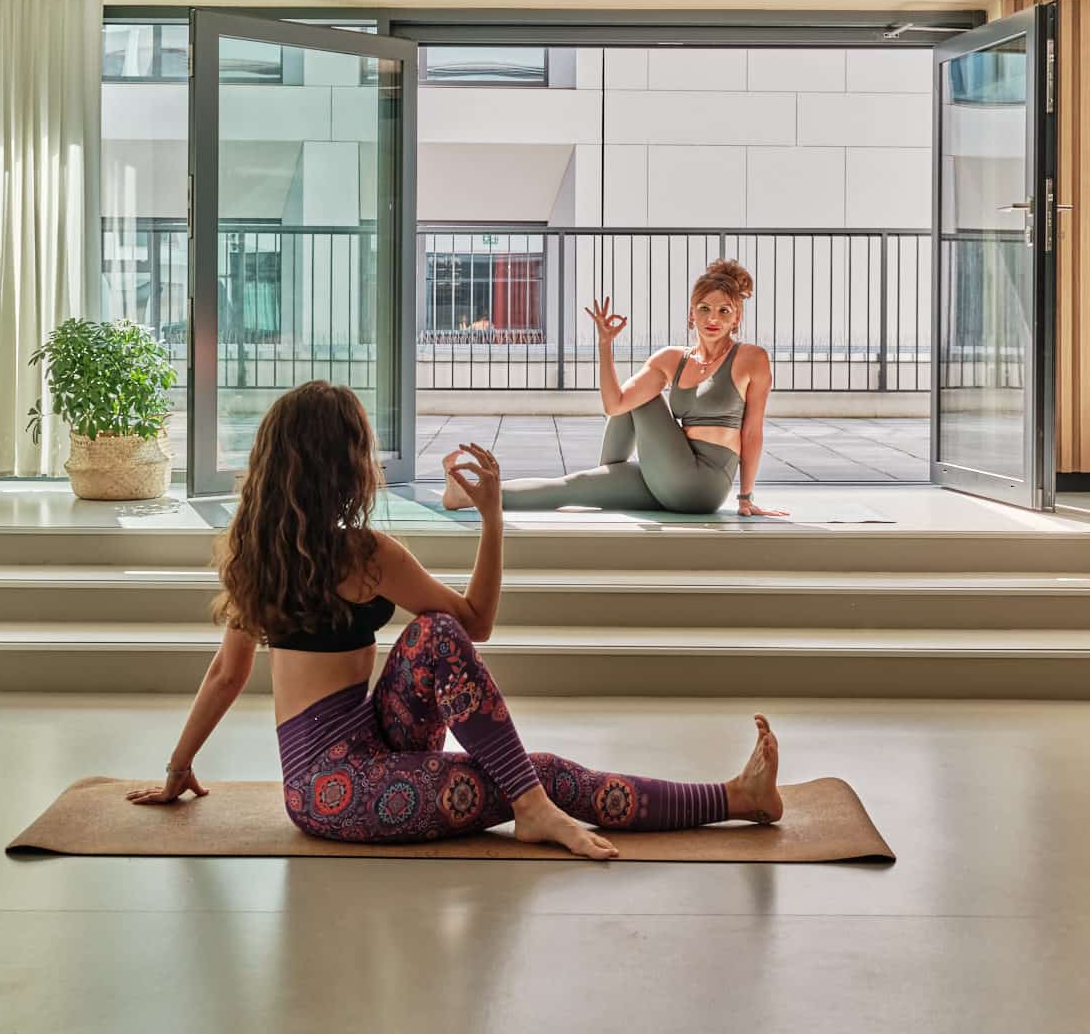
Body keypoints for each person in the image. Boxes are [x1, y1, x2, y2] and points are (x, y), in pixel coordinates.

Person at [126, 381, 783, 860]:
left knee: (432, 634)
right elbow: (481, 622)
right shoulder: (366, 554)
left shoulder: (256, 548)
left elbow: (225, 675)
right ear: (347, 465)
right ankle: (727, 799)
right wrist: (493, 519)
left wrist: (178, 766)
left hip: (356, 760)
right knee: (541, 775)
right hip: (338, 795)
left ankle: (538, 804)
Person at [443, 258, 787, 517]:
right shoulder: (672, 358)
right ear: (691, 314)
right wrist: (604, 344)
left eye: (724, 311)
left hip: (704, 483)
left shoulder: (751, 359)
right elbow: (614, 405)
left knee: (644, 398)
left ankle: (608, 471)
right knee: (573, 487)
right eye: (705, 308)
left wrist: (745, 498)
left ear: (736, 317)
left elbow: (752, 432)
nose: (714, 318)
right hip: (670, 472)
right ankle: (466, 494)